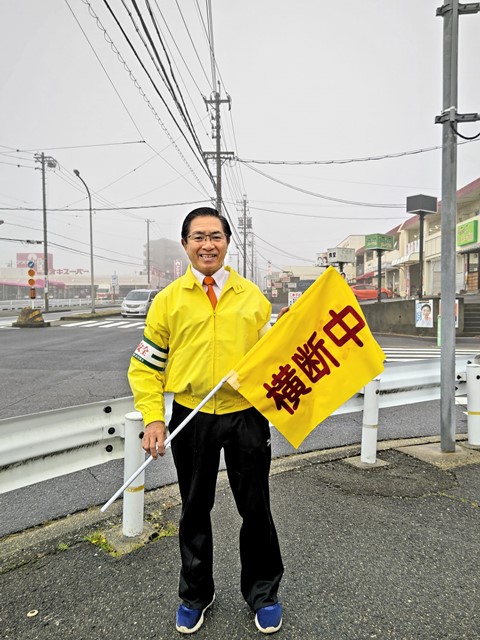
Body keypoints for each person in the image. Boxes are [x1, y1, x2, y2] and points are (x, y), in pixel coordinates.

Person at [128, 207, 284, 635]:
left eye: (215, 236)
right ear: (185, 245)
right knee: (195, 508)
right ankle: (196, 594)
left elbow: (272, 360)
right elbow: (146, 367)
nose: (207, 244)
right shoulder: (168, 301)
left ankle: (263, 592)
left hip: (245, 417)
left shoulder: (252, 297)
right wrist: (154, 418)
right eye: (198, 237)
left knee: (256, 508)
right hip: (191, 417)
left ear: (227, 242)